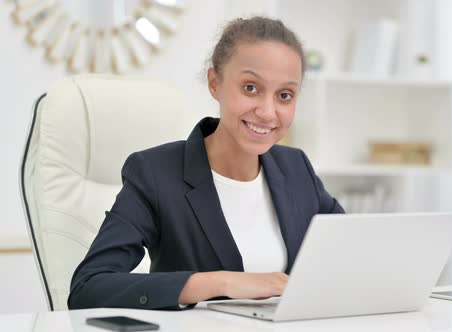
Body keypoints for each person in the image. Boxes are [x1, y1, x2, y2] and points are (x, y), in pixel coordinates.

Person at [68, 16, 344, 310]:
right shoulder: (154, 173)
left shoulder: (295, 167)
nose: (267, 112)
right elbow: (89, 287)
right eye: (250, 88)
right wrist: (221, 283)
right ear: (215, 84)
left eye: (285, 95)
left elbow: (354, 250)